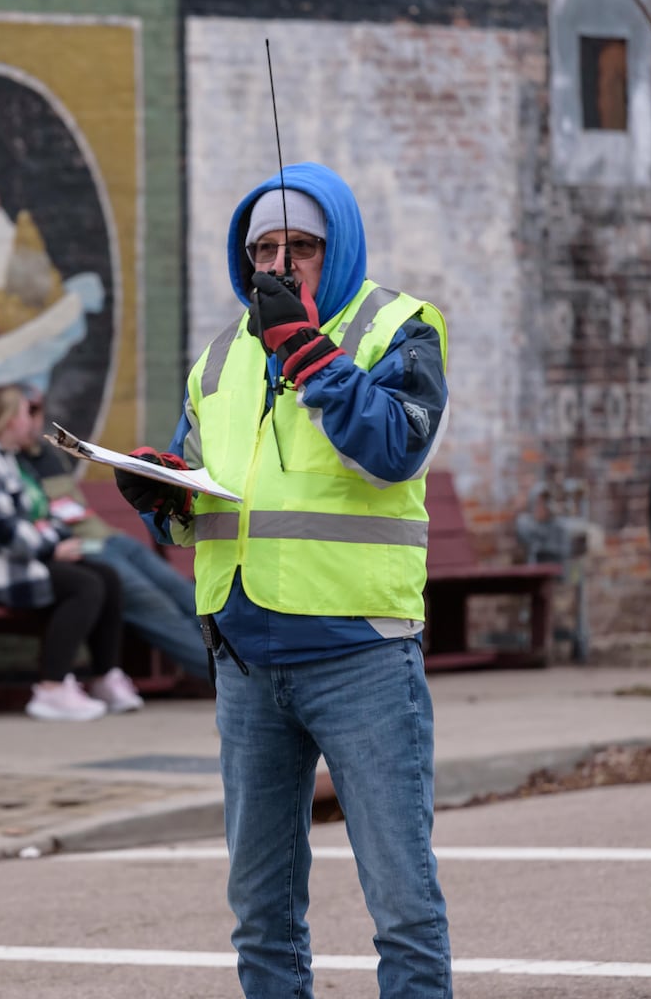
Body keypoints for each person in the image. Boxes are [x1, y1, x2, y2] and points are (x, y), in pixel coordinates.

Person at [113, 163, 453, 997]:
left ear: (335, 250)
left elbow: (395, 449)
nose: (277, 264)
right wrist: (162, 493)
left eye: (299, 247)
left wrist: (312, 356)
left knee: (402, 903)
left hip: (360, 654)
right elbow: (206, 491)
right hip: (244, 657)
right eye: (261, 248)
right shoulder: (221, 354)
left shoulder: (396, 328)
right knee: (260, 912)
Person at [0, 384, 129, 721]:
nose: (32, 421)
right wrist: (53, 548)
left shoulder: (4, 458)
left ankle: (103, 677)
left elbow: (36, 518)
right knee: (83, 585)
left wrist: (58, 541)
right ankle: (52, 689)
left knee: (106, 576)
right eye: (26, 413)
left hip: (11, 562)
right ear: (9, 420)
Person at [17, 393, 211, 689]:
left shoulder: (46, 455)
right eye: (27, 411)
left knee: (186, 594)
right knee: (157, 607)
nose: (36, 418)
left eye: (37, 409)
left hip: (110, 539)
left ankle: (243, 666)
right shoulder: (1, 463)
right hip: (79, 548)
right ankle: (223, 679)